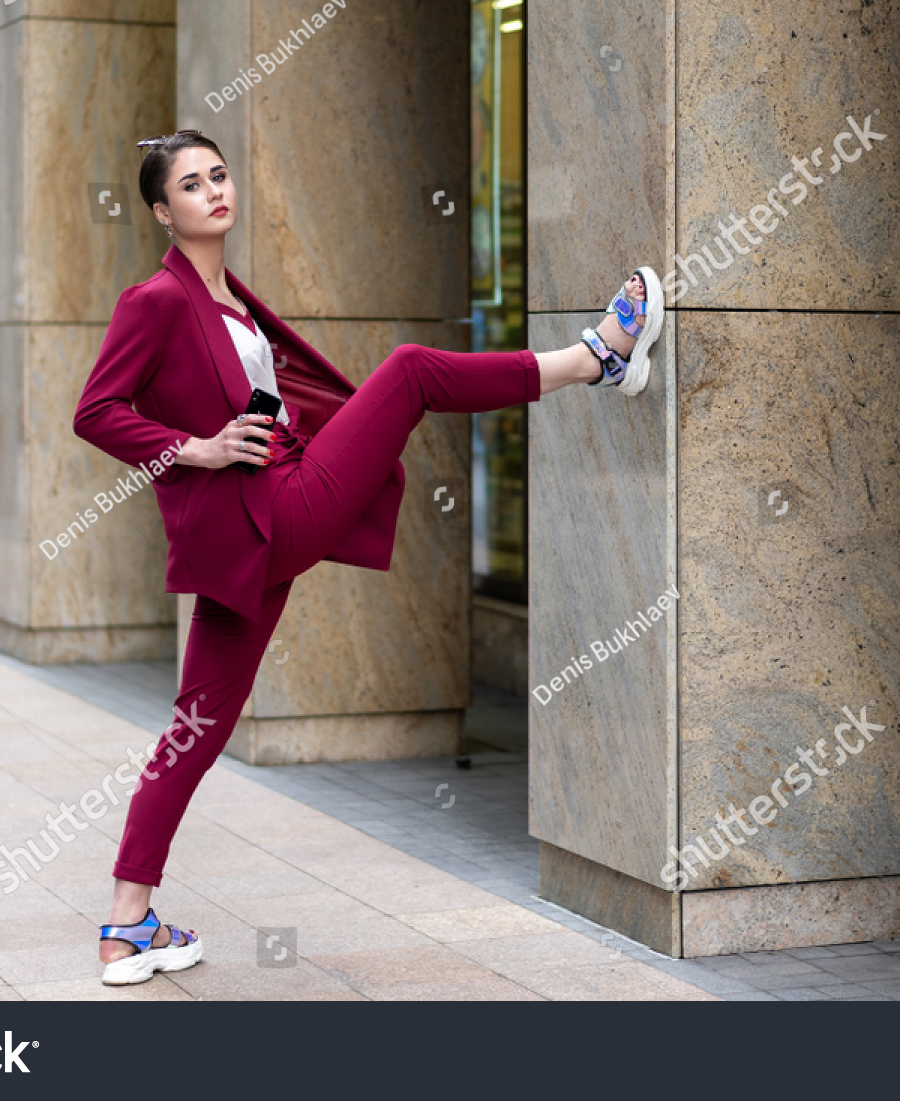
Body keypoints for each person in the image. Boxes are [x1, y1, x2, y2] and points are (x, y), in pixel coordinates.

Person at [73, 129, 665, 985]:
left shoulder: (225, 295)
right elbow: (95, 412)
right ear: (163, 212)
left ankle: (127, 925)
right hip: (269, 507)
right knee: (413, 370)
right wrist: (194, 449)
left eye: (220, 174)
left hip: (259, 528)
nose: (214, 192)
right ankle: (597, 357)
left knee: (195, 726)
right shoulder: (154, 301)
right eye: (192, 186)